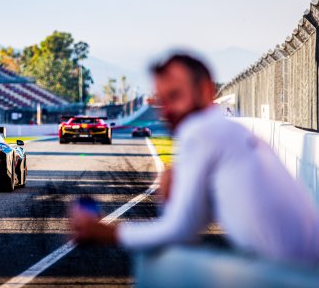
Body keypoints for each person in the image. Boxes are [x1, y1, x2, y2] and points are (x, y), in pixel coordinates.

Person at [71, 53, 319, 263]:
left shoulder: (200, 130)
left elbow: (180, 230)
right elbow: (192, 223)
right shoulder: (227, 128)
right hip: (298, 268)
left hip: (291, 274)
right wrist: (171, 198)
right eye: (163, 100)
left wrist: (103, 233)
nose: (167, 110)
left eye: (176, 96)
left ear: (206, 90)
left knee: (163, 267)